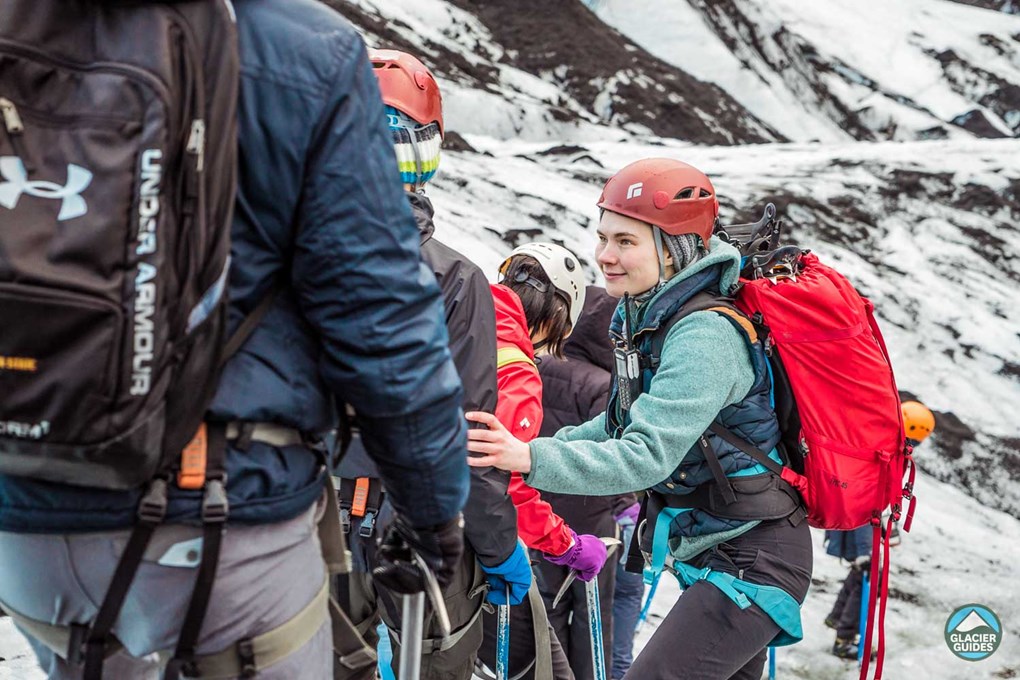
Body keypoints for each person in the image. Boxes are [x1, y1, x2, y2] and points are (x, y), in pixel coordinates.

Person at [0, 4, 471, 679]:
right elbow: (381, 315)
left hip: (26, 506)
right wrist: (432, 511)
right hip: (218, 514)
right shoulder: (301, 48)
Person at [465, 158, 813, 680]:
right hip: (721, 554)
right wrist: (523, 449)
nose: (605, 256)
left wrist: (529, 457)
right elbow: (615, 424)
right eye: (603, 237)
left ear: (675, 247)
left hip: (753, 559)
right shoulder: (650, 317)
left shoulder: (704, 335)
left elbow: (646, 453)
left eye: (626, 241)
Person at [332, 49, 529, 680]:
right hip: (413, 524)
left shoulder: (281, 252)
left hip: (302, 516)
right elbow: (467, 433)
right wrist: (498, 547)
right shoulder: (452, 278)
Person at [477, 244, 609, 680]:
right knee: (547, 670)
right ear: (555, 317)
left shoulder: (456, 321)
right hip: (473, 548)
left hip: (378, 521)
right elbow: (503, 482)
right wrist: (566, 544)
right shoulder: (516, 370)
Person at [534, 285, 639, 680]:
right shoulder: (604, 386)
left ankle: (549, 671)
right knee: (593, 610)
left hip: (540, 504)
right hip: (592, 513)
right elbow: (612, 455)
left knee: (548, 603)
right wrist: (626, 506)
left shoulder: (538, 365)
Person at [824, 399, 935, 660]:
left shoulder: (880, 445)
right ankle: (844, 639)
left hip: (850, 525)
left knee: (862, 575)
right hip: (856, 528)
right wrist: (866, 550)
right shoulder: (885, 454)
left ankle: (837, 618)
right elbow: (867, 499)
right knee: (871, 578)